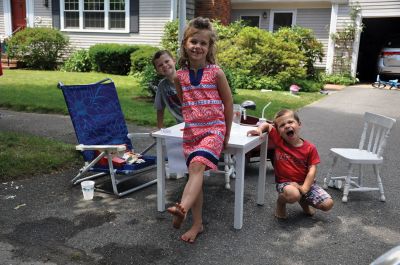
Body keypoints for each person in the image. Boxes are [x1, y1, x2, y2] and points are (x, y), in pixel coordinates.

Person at [167, 17, 233, 243]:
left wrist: (227, 134)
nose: (198, 46)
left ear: (209, 47)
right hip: (192, 132)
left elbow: (229, 104)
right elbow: (185, 102)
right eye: (194, 41)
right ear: (185, 43)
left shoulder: (216, 73)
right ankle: (197, 224)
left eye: (203, 43)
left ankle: (181, 208)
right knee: (195, 175)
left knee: (196, 167)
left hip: (214, 130)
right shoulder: (179, 76)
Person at [247, 109, 333, 219]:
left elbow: (312, 170)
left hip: (306, 183)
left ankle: (303, 199)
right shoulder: (279, 141)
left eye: (290, 122)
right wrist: (259, 129)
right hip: (286, 183)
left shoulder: (310, 148)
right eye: (282, 125)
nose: (287, 126)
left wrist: (305, 188)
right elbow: (267, 126)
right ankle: (281, 203)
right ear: (278, 131)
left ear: (299, 124)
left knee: (327, 204)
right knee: (294, 195)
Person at [152, 50, 183, 129]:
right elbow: (160, 108)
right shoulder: (162, 86)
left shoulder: (186, 78)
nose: (164, 65)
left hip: (197, 122)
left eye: (166, 61)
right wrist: (160, 129)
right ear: (157, 70)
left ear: (174, 61)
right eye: (160, 65)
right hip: (181, 125)